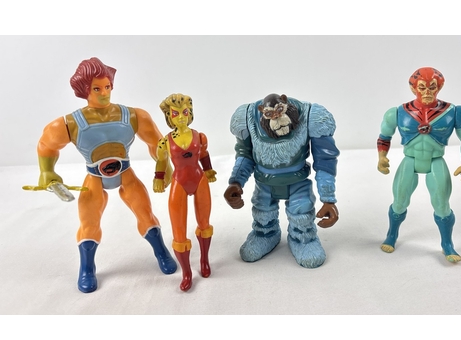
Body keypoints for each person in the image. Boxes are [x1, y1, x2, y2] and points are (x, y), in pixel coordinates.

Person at [36, 57, 177, 292]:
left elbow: (157, 143)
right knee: (89, 223)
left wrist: (164, 165)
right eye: (97, 88)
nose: (104, 93)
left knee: (145, 212)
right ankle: (87, 268)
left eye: (107, 86)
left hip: (126, 173)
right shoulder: (70, 123)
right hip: (94, 177)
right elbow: (46, 145)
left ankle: (161, 252)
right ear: (85, 90)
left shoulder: (133, 116)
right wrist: (47, 171)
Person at [224, 93, 339, 268]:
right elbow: (245, 154)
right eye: (270, 114)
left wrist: (328, 198)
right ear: (262, 112)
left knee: (302, 212)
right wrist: (236, 182)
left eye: (280, 111)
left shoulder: (310, 116)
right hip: (264, 183)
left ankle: (303, 238)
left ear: (285, 103)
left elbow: (325, 159)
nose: (277, 118)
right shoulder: (247, 118)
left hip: (297, 181)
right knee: (262, 212)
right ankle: (264, 233)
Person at [377, 66, 461, 262]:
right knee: (399, 202)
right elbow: (384, 137)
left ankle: (447, 244)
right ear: (413, 88)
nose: (427, 92)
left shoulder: (453, 112)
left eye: (432, 87)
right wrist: (382, 157)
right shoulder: (398, 112)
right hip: (410, 159)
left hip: (435, 159)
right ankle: (392, 234)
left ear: (439, 87)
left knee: (442, 205)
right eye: (422, 87)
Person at [153, 94, 216, 292]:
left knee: (204, 223)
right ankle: (186, 273)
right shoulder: (165, 142)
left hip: (199, 180)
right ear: (169, 116)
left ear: (190, 114)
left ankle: (204, 260)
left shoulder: (200, 137)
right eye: (175, 113)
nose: (181, 117)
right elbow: (161, 161)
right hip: (179, 182)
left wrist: (209, 170)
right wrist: (158, 177)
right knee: (178, 232)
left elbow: (203, 154)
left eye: (185, 112)